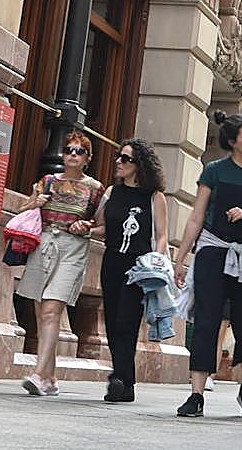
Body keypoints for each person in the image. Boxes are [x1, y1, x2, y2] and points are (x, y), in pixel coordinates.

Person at [173, 111, 242, 419]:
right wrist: (181, 258)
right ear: (233, 142)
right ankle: (196, 395)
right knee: (206, 321)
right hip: (213, 251)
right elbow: (196, 216)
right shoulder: (214, 170)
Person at [15, 130, 104, 396]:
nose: (73, 155)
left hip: (72, 248)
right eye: (69, 150)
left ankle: (39, 374)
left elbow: (103, 227)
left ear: (88, 158)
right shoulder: (48, 181)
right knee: (43, 312)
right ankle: (51, 377)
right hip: (44, 244)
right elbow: (23, 213)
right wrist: (35, 202)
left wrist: (86, 227)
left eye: (80, 151)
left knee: (52, 310)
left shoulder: (95, 188)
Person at [89, 138, 168, 403]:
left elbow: (161, 236)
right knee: (112, 320)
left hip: (138, 267)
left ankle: (120, 379)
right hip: (112, 261)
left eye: (125, 159)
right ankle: (125, 382)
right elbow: (103, 228)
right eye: (118, 157)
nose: (118, 162)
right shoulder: (112, 192)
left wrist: (157, 262)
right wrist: (84, 228)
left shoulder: (154, 197)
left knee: (127, 321)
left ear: (139, 165)